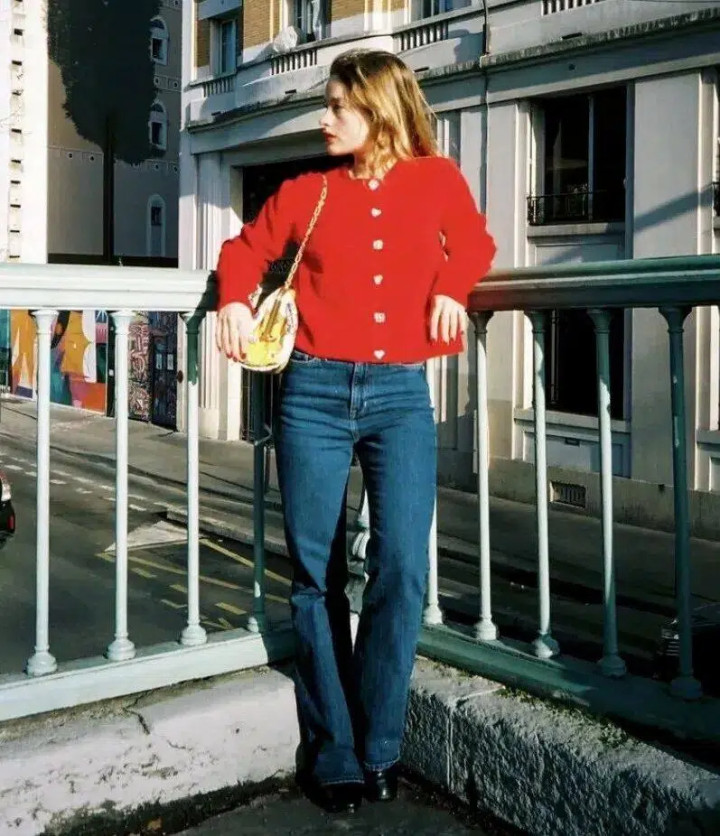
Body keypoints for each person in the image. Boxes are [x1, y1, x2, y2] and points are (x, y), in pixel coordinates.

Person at [214, 49, 496, 814]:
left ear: (379, 108)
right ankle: (335, 747)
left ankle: (380, 743)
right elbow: (244, 250)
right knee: (317, 575)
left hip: (400, 394)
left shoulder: (435, 181)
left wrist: (452, 286)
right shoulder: (306, 191)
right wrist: (233, 299)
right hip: (310, 390)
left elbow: (474, 243)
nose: (324, 118)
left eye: (338, 105)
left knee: (401, 565)